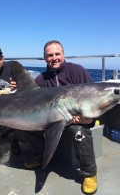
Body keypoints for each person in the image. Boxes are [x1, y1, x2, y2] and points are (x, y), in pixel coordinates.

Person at [33, 40, 97, 194]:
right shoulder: (41, 79)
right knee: (26, 125)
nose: (54, 58)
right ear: (44, 58)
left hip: (78, 119)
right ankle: (38, 157)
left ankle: (90, 173)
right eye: (50, 55)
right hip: (52, 120)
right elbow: (30, 102)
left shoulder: (77, 71)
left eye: (57, 54)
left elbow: (94, 97)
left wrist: (89, 118)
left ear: (63, 55)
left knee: (78, 131)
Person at [0, 44, 38, 171]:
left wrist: (11, 90)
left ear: (3, 57)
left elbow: (31, 90)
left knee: (33, 122)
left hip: (19, 112)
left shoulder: (13, 67)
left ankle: (37, 155)